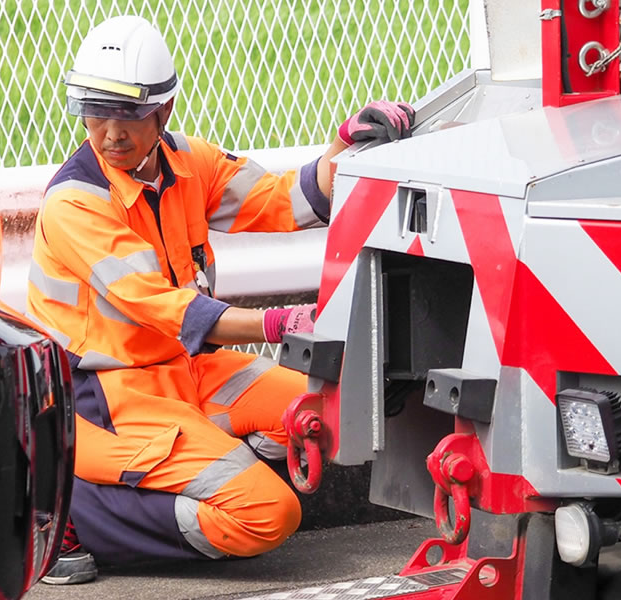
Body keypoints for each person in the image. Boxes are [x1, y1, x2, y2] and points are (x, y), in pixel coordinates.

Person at [28, 15, 415, 585]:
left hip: (191, 371)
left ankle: (207, 468)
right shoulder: (75, 204)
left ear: (164, 111)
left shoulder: (189, 162)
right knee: (270, 516)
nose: (110, 131)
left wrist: (347, 142)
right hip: (110, 400)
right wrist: (280, 322)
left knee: (334, 410)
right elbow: (167, 308)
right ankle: (75, 509)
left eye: (129, 114)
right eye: (95, 110)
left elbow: (293, 201)